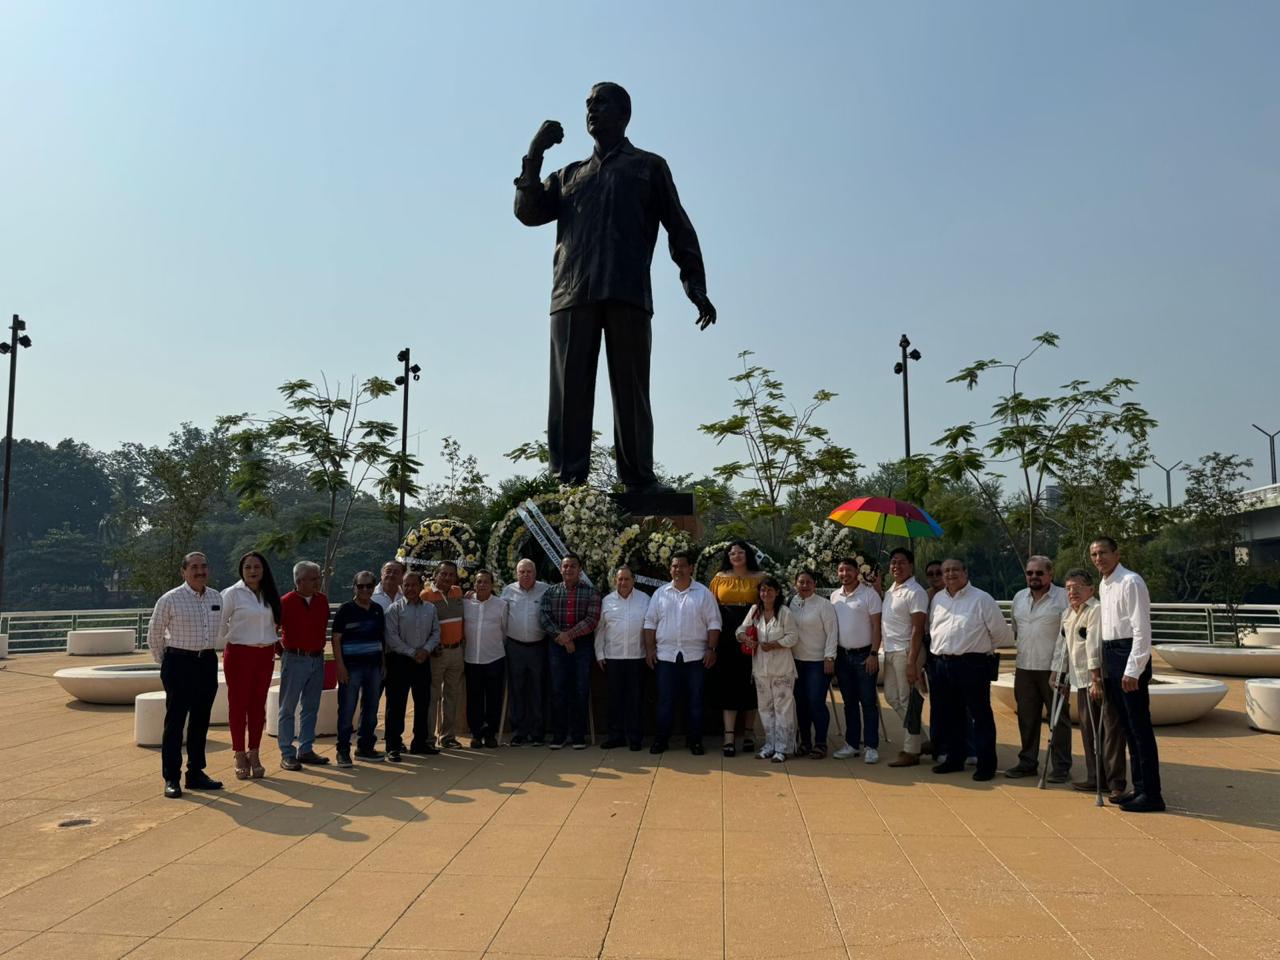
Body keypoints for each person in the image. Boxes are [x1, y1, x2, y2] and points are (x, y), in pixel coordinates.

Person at [513, 82, 715, 492]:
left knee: (632, 391)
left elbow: (679, 227)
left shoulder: (648, 167)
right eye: (588, 104)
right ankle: (568, 481)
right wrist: (534, 155)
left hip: (628, 293)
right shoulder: (568, 175)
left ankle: (639, 478)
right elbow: (528, 212)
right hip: (571, 295)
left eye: (600, 103)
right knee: (569, 395)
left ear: (624, 114)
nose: (591, 109)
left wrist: (694, 283)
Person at [1091, 537, 1164, 813]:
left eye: (1103, 553)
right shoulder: (1105, 583)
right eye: (1095, 554)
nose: (1099, 558)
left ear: (1116, 554)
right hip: (1111, 653)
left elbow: (1141, 630)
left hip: (1127, 654)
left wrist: (1134, 668)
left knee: (1139, 729)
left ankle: (1153, 794)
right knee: (1127, 729)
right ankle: (1140, 788)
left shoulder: (1131, 581)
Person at [148, 551, 225, 799]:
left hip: (207, 662)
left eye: (203, 566)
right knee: (175, 722)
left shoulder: (216, 597)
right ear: (183, 571)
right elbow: (154, 634)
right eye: (194, 567)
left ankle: (196, 773)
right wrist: (167, 663)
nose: (199, 571)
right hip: (179, 662)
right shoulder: (170, 599)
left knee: (201, 721)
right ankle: (172, 777)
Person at [927, 559, 1012, 781]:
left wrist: (978, 649)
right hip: (942, 663)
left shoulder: (982, 599)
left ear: (965, 572)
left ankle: (986, 764)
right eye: (946, 571)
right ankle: (955, 759)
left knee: (980, 716)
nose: (950, 574)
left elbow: (1002, 634)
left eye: (955, 569)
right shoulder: (938, 598)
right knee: (950, 715)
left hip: (972, 664)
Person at [643, 550, 722, 755]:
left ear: (690, 568)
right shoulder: (660, 593)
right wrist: (650, 649)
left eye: (681, 566)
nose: (677, 570)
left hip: (696, 656)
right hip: (666, 656)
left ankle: (695, 741)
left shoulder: (704, 593)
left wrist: (711, 649)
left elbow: (714, 623)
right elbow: (650, 622)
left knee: (695, 701)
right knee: (665, 701)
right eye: (674, 566)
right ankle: (662, 740)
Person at [1061, 568, 1127, 799]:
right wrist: (1059, 673)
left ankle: (1116, 781)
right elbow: (1066, 647)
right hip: (1080, 680)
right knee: (1089, 730)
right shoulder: (1068, 613)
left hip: (1100, 679)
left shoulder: (1096, 610)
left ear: (1090, 588)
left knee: (1110, 730)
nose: (1072, 592)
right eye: (1069, 588)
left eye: (1077, 587)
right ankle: (1094, 776)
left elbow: (1094, 646)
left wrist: (1096, 679)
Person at [1007, 556, 1071, 781]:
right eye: (1030, 573)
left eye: (1039, 573)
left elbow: (1069, 637)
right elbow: (1016, 630)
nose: (1034, 577)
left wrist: (1061, 669)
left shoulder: (1063, 597)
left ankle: (1061, 767)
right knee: (1026, 718)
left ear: (1050, 574)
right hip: (1025, 667)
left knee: (1058, 719)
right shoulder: (1018, 598)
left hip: (1054, 669)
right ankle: (1027, 762)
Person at [219, 551, 282, 780]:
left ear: (264, 570)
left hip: (264, 655)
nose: (253, 571)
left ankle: (254, 752)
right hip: (239, 654)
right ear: (241, 570)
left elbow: (275, 624)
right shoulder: (232, 594)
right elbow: (220, 623)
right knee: (238, 705)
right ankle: (239, 753)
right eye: (248, 567)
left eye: (257, 567)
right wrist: (233, 636)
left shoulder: (269, 594)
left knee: (257, 706)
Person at [708, 541, 765, 757]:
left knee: (752, 683)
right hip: (726, 638)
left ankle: (749, 732)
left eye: (741, 552)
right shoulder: (719, 578)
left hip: (753, 636)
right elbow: (711, 609)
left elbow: (768, 605)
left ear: (748, 554)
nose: (737, 555)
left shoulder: (761, 577)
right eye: (732, 553)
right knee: (728, 684)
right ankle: (729, 735)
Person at [539, 553, 602, 749]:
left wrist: (570, 636)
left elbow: (592, 620)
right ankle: (559, 735)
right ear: (561, 569)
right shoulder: (550, 592)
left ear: (579, 570)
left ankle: (577, 736)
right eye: (565, 566)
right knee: (558, 689)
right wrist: (562, 637)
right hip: (556, 646)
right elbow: (544, 617)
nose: (568, 570)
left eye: (572, 566)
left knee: (580, 689)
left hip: (581, 646)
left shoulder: (591, 592)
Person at [277, 560, 333, 771]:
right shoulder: (285, 601)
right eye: (313, 578)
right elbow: (273, 629)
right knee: (288, 707)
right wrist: (283, 653)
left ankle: (306, 748)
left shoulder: (322, 600)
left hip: (317, 658)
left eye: (318, 577)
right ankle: (287, 752)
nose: (317, 582)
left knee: (311, 706)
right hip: (295, 658)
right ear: (299, 581)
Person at [738, 577, 799, 762]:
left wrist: (775, 644)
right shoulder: (755, 611)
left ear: (777, 592)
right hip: (760, 668)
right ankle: (769, 745)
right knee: (765, 708)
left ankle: (783, 747)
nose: (766, 594)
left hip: (782, 669)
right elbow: (741, 628)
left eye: (770, 590)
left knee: (783, 709)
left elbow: (793, 637)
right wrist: (744, 637)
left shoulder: (784, 612)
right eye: (763, 590)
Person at [829, 557, 884, 763]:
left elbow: (877, 627)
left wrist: (873, 654)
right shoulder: (834, 596)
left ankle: (871, 745)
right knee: (849, 703)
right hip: (842, 656)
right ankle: (851, 744)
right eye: (841, 570)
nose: (845, 574)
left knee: (868, 702)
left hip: (864, 656)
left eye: (849, 570)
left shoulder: (869, 595)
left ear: (857, 572)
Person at [383, 569, 440, 763]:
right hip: (399, 661)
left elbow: (435, 633)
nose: (410, 588)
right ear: (402, 586)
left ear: (421, 586)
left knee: (423, 702)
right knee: (396, 705)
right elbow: (391, 637)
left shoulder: (430, 609)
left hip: (423, 661)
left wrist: (425, 650)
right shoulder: (394, 609)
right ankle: (393, 745)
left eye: (414, 584)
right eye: (406, 585)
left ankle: (420, 742)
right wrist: (412, 652)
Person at [332, 571, 387, 767]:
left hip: (373, 667)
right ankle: (343, 750)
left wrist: (383, 664)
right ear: (354, 587)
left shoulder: (378, 610)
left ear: (374, 588)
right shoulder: (345, 610)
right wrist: (340, 666)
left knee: (371, 709)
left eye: (369, 586)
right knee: (347, 710)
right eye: (361, 586)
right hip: (351, 667)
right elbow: (336, 639)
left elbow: (381, 639)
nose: (365, 590)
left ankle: (364, 746)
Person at [882, 548, 930, 768]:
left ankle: (911, 750)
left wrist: (912, 662)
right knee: (893, 697)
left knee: (908, 701)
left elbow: (917, 629)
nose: (896, 567)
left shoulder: (915, 591)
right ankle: (924, 740)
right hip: (891, 650)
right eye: (893, 562)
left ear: (911, 566)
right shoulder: (892, 589)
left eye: (901, 563)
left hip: (906, 651)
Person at [596, 564, 650, 750]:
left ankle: (635, 738)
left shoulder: (645, 599)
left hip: (637, 657)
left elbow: (651, 627)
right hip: (613, 657)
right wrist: (599, 654)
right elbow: (600, 630)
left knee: (635, 700)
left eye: (627, 579)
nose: (623, 582)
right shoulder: (607, 601)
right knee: (614, 700)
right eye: (620, 579)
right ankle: (615, 736)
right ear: (615, 581)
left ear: (633, 580)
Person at [501, 558, 551, 746]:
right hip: (515, 647)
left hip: (538, 647)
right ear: (516, 573)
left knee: (538, 690)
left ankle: (538, 733)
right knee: (517, 690)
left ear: (535, 573)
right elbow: (502, 618)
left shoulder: (545, 589)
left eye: (529, 571)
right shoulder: (508, 591)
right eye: (522, 572)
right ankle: (519, 732)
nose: (525, 575)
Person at [788, 569, 837, 758]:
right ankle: (805, 741)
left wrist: (829, 657)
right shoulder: (792, 603)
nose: (805, 585)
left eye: (809, 582)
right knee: (800, 703)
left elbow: (832, 633)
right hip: (796, 661)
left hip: (818, 662)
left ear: (814, 585)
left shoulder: (824, 605)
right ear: (795, 585)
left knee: (816, 702)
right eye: (801, 582)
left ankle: (821, 742)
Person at [422, 561, 466, 749]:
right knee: (433, 696)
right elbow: (422, 624)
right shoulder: (426, 595)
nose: (447, 578)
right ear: (436, 574)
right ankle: (429, 738)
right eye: (443, 574)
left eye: (451, 574)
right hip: (437, 654)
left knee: (452, 695)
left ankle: (448, 736)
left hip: (456, 651)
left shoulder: (458, 592)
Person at [463, 570, 509, 749]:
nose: (482, 585)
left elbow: (505, 632)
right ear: (474, 584)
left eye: (486, 582)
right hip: (472, 659)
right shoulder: (466, 603)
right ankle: (475, 734)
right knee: (474, 699)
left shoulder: (501, 605)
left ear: (492, 585)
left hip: (494, 658)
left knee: (493, 698)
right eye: (479, 581)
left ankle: (490, 734)